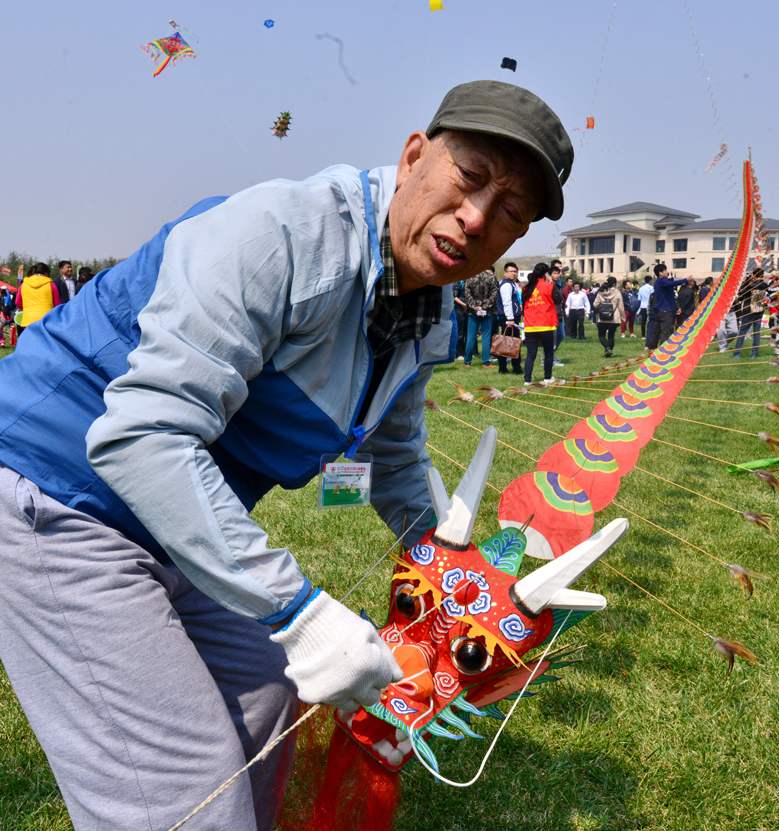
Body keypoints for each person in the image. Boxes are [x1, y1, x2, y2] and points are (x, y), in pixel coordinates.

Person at [0, 80, 573, 831]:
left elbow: (395, 460)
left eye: (510, 214)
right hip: (56, 494)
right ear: (412, 157)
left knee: (272, 693)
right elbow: (140, 436)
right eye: (469, 180)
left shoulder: (428, 312)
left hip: (172, 517)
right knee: (183, 786)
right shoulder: (282, 236)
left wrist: (466, 584)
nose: (475, 219)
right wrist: (298, 609)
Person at [522, 262, 562, 383]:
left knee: (531, 354)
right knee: (549, 352)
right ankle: (547, 377)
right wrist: (551, 284)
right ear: (546, 274)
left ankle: (527, 380)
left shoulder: (526, 288)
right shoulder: (549, 286)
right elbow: (558, 300)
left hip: (530, 325)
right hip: (546, 325)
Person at [463, 266, 498, 367]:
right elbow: (493, 296)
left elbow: (467, 295)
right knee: (486, 337)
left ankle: (467, 362)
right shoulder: (492, 278)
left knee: (470, 337)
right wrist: (484, 307)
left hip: (473, 312)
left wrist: (476, 307)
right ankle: (486, 362)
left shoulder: (470, 277)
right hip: (487, 312)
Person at [731, 267, 768, 359]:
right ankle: (754, 354)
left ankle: (737, 352)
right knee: (756, 332)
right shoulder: (765, 285)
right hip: (759, 310)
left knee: (742, 332)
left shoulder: (751, 285)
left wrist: (746, 280)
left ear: (754, 275)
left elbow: (741, 292)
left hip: (748, 310)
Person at [648, 264, 687, 348]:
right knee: (665, 332)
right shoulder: (662, 281)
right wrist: (686, 280)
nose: (667, 272)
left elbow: (670, 287)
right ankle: (663, 351)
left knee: (656, 332)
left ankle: (651, 349)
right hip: (666, 311)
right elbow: (673, 284)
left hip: (660, 310)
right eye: (665, 270)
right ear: (660, 273)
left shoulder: (659, 282)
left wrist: (671, 279)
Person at [15, 262, 62, 330]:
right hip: (46, 320)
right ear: (46, 273)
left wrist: (29, 307)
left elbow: (17, 302)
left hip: (28, 320)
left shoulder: (24, 284)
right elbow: (57, 305)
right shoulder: (51, 284)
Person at [496, 261, 524, 373]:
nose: (513, 274)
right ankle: (513, 368)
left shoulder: (512, 284)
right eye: (511, 271)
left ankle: (505, 368)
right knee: (511, 344)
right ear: (505, 273)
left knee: (509, 343)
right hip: (508, 319)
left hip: (509, 318)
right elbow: (506, 303)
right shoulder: (506, 285)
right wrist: (510, 319)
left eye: (515, 271)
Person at [594, 276, 625, 357]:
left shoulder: (601, 292)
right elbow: (621, 307)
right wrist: (623, 317)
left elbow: (595, 304)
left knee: (601, 335)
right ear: (614, 284)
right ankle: (608, 351)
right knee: (611, 336)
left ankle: (607, 348)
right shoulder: (617, 293)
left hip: (603, 317)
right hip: (614, 317)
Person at [452, 279, 467, 359]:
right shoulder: (458, 281)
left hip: (467, 310)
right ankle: (458, 353)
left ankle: (465, 352)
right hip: (459, 309)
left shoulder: (468, 280)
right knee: (459, 333)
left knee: (466, 332)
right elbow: (454, 296)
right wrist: (464, 305)